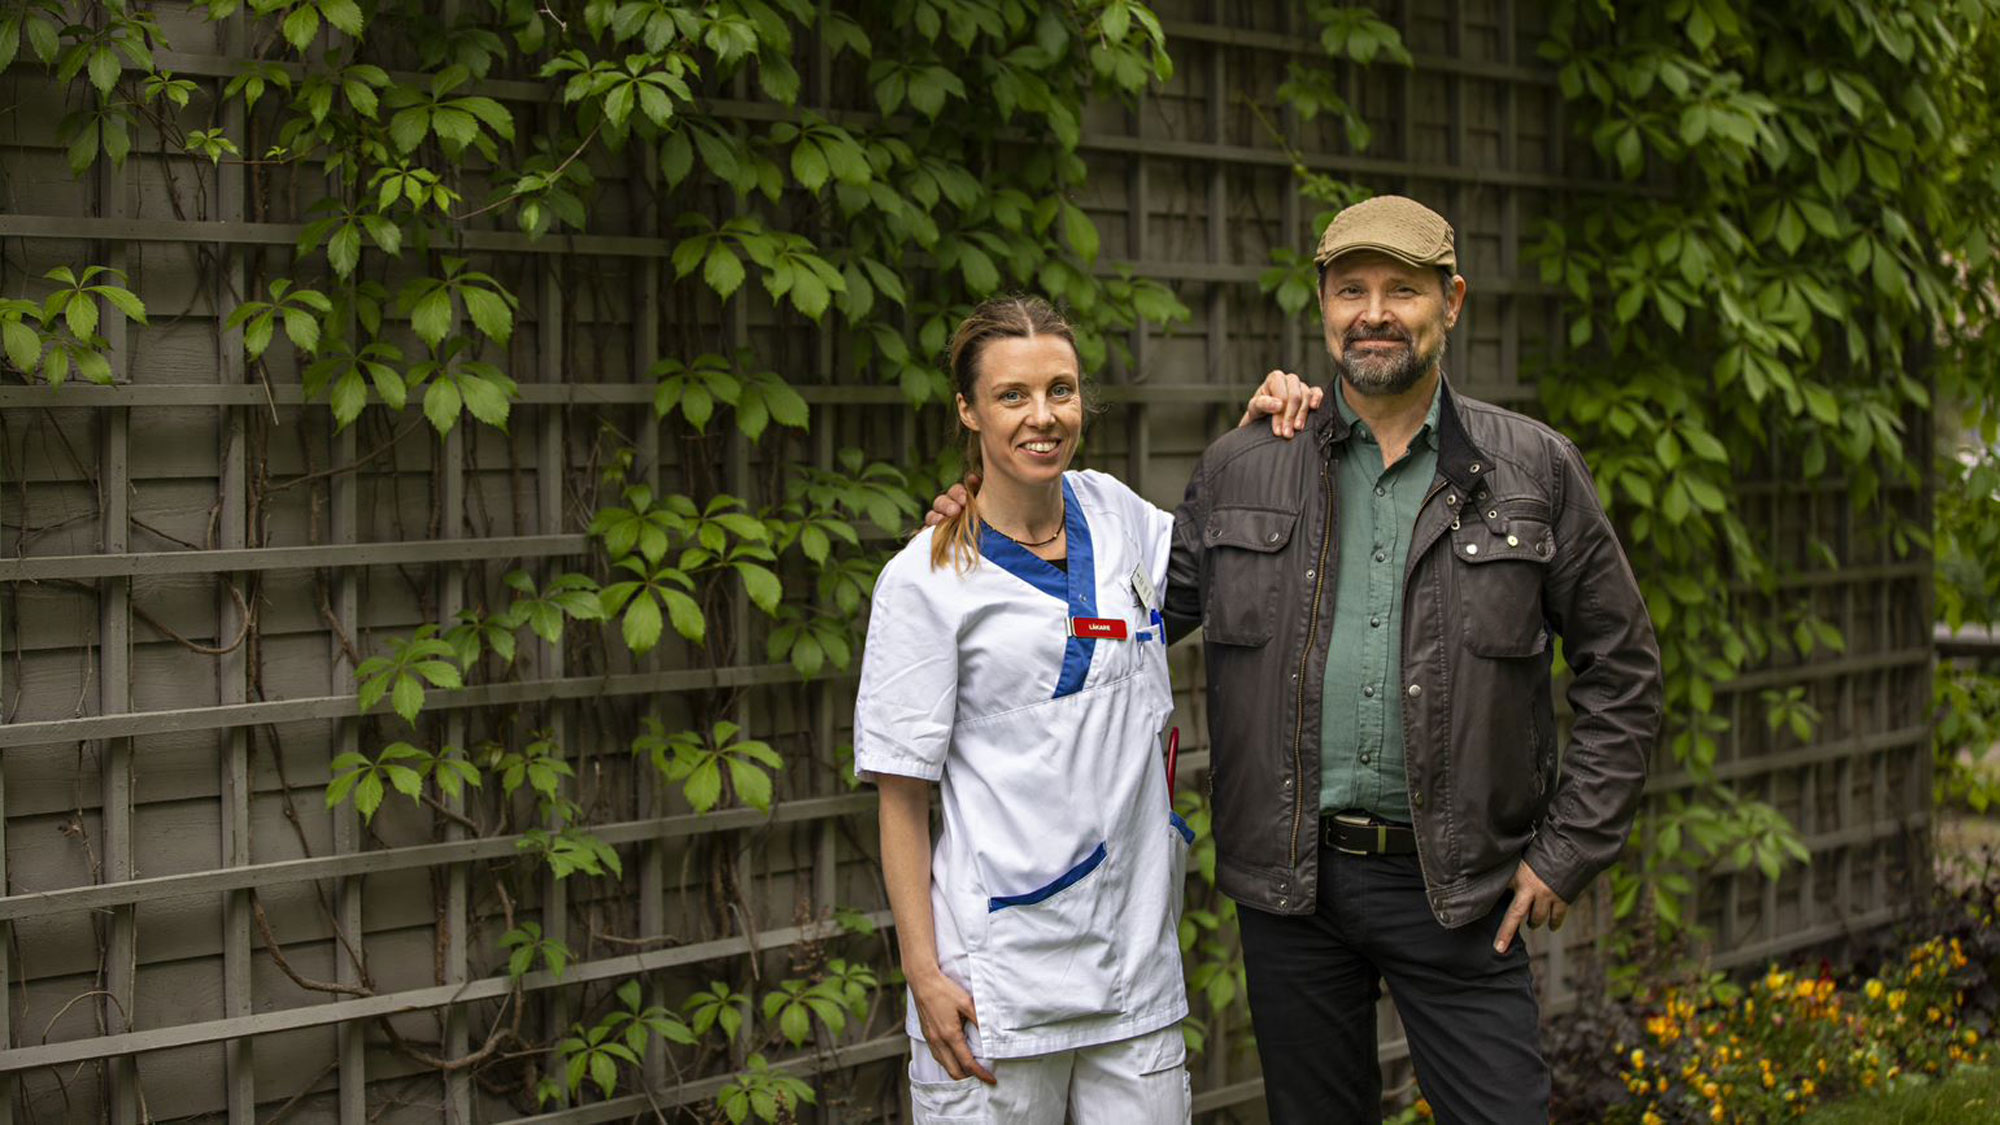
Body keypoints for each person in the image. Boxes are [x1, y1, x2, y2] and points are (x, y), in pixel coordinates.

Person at [930, 196, 1663, 1124]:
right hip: (1293, 890)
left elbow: (1624, 669)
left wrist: (1565, 853)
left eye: (1404, 290)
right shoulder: (1247, 465)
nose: (1374, 311)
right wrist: (984, 521)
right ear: (1322, 305)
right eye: (1351, 288)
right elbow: (1133, 599)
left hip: (1463, 886)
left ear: (1453, 302)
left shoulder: (1533, 471)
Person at [853, 296, 1312, 1124]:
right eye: (1013, 395)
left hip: (1134, 970)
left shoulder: (1117, 514)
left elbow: (1216, 553)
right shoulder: (922, 583)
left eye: (1060, 390)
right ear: (968, 409)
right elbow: (901, 796)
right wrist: (922, 973)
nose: (1043, 416)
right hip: (992, 987)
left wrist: (1255, 433)